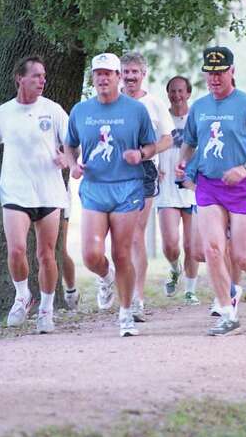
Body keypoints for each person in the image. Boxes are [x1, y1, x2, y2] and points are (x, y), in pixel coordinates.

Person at [175, 46, 246, 336]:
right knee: (211, 249)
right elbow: (190, 142)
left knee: (242, 256)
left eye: (220, 72)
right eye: (210, 73)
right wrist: (183, 161)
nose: (214, 78)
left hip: (244, 186)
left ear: (232, 71)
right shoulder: (199, 107)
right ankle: (227, 311)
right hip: (209, 185)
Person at [64, 53, 157, 337]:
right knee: (91, 255)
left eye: (108, 74)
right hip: (94, 187)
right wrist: (72, 166)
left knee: (121, 252)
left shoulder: (136, 110)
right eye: (98, 74)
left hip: (127, 187)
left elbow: (151, 147)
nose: (103, 79)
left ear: (118, 77)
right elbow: (69, 146)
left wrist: (139, 154)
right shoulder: (81, 111)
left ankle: (126, 313)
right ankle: (105, 278)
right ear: (93, 78)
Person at [0, 56, 70, 333]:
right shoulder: (2, 113)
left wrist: (66, 158)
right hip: (15, 190)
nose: (42, 81)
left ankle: (46, 309)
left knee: (46, 254)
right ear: (20, 78)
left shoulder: (53, 110)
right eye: (36, 76)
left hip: (49, 192)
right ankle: (22, 296)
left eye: (43, 76)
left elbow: (72, 145)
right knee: (17, 249)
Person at [120, 52, 174, 322]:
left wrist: (145, 152)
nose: (130, 77)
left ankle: (137, 299)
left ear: (143, 74)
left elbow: (168, 138)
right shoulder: (109, 102)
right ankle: (113, 282)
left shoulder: (154, 104)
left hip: (143, 170)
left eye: (134, 72)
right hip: (112, 171)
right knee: (117, 237)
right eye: (126, 72)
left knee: (135, 235)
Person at [155, 75, 201, 304]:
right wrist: (155, 167)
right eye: (173, 91)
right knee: (171, 244)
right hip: (166, 187)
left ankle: (190, 290)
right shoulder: (162, 119)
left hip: (191, 188)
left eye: (181, 91)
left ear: (189, 93)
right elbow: (151, 145)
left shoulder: (197, 118)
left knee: (192, 245)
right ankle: (174, 268)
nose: (177, 95)